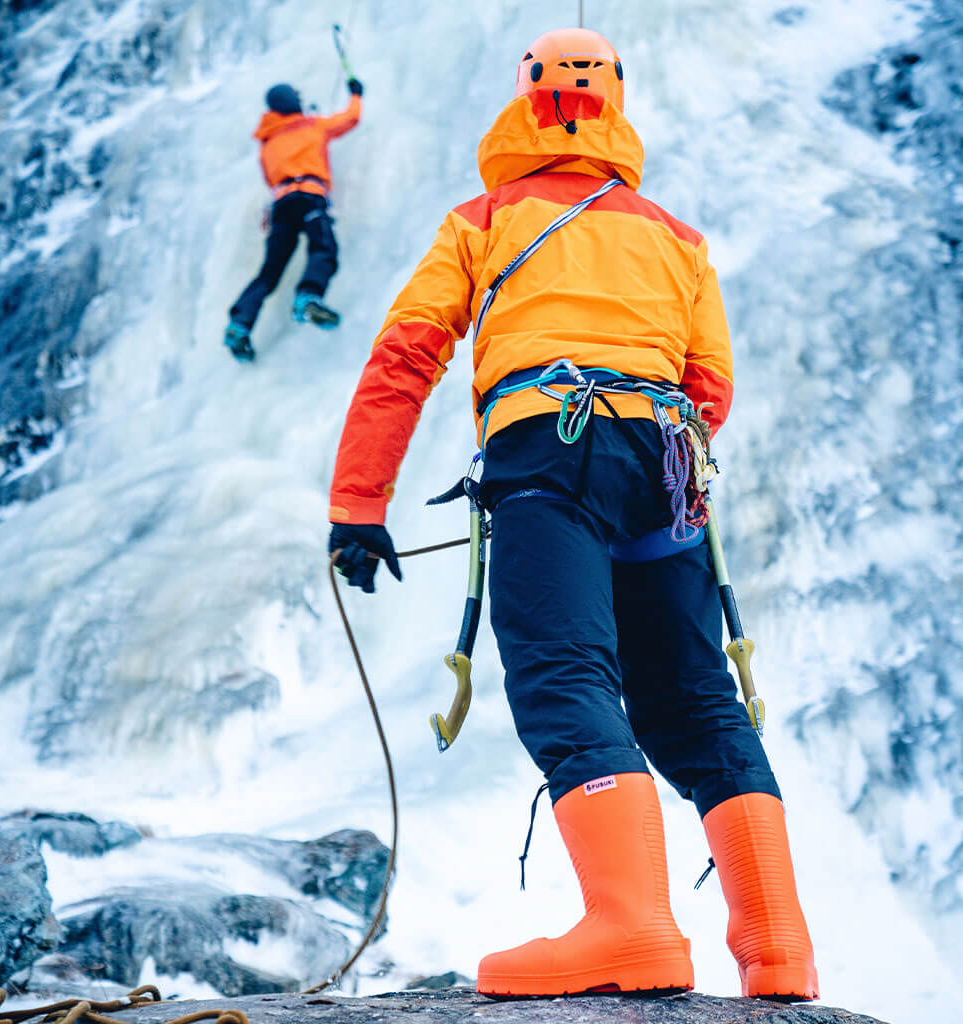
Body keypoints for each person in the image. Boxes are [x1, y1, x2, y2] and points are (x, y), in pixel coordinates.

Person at [326, 28, 819, 1001]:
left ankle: (631, 929)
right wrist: (654, 457)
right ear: (613, 108)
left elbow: (406, 356)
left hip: (547, 449)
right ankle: (778, 952)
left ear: (526, 99)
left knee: (562, 669)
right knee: (690, 695)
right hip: (664, 458)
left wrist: (358, 504)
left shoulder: (484, 217)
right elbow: (710, 383)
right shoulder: (675, 236)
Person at [224, 78, 363, 362]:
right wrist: (356, 94)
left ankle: (239, 324)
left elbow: (270, 179)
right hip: (309, 196)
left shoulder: (267, 142)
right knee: (324, 248)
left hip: (281, 205)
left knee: (270, 272)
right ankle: (308, 298)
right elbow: (350, 119)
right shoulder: (311, 125)